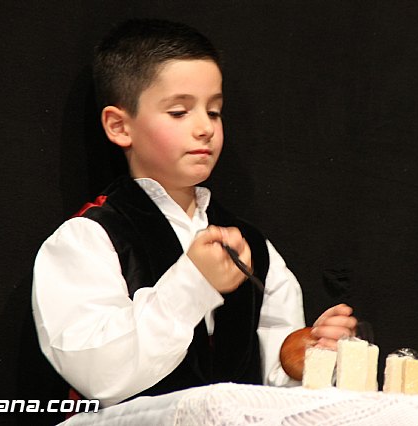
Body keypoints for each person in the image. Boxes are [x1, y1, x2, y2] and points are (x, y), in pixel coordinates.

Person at [32, 18, 356, 408]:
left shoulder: (254, 245)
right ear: (120, 126)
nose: (204, 128)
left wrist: (302, 355)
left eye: (214, 112)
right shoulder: (89, 239)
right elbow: (98, 372)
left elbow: (265, 364)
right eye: (179, 112)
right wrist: (192, 284)